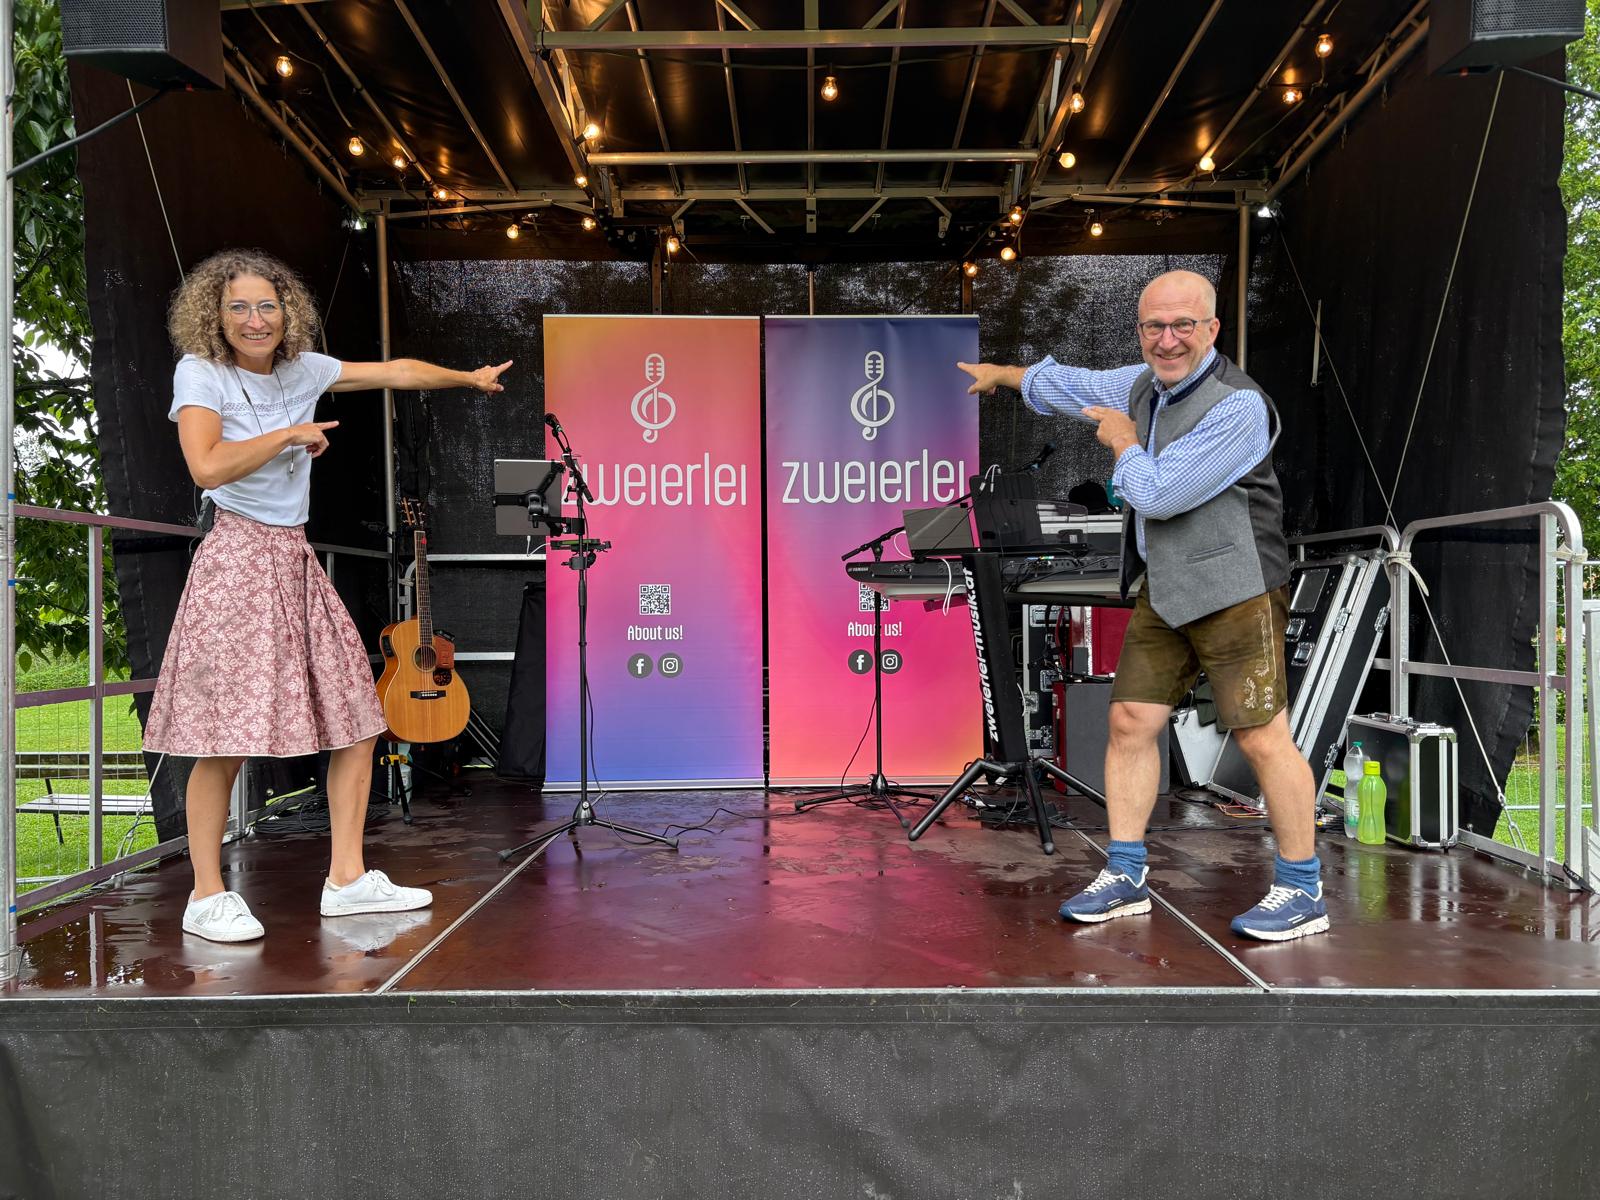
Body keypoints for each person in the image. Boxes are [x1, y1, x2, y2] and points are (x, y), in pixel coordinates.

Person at [145, 248, 512, 944]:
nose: (255, 319)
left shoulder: (305, 369)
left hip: (295, 557)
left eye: (267, 306)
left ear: (288, 313)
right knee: (221, 736)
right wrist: (288, 433)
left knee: (359, 718)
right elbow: (206, 466)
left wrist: (466, 378)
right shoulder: (201, 372)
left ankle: (347, 880)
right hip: (237, 559)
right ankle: (206, 895)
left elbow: (395, 372)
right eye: (238, 307)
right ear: (216, 317)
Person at [957, 269, 1327, 942]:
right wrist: (1004, 375)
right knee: (1130, 720)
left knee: (1261, 734)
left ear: (1212, 329)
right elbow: (1074, 385)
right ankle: (1125, 875)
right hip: (1169, 586)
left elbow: (1157, 495)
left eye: (1183, 325)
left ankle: (1303, 888)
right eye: (1154, 326)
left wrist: (1124, 441)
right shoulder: (1143, 383)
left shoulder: (1238, 407)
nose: (1167, 339)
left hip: (1237, 587)